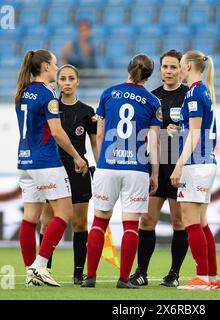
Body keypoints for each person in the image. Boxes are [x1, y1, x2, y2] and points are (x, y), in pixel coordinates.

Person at [81, 54, 161, 289]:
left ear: (129, 69)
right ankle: (124, 279)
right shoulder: (153, 101)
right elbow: (154, 143)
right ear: (148, 75)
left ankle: (90, 277)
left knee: (99, 221)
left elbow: (100, 133)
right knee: (130, 224)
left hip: (108, 165)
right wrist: (154, 174)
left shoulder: (108, 93)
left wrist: (102, 162)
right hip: (136, 169)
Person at [15, 50, 88, 287]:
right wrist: (77, 156)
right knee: (64, 213)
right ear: (46, 66)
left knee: (30, 217)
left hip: (24, 161)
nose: (56, 69)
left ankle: (30, 272)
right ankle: (40, 265)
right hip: (46, 161)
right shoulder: (48, 93)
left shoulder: (23, 92)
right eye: (55, 65)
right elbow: (56, 132)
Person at [129, 49, 189, 288]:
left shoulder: (189, 95)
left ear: (181, 69)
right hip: (155, 165)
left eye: (174, 66)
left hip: (178, 166)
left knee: (178, 222)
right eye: (165, 66)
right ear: (160, 70)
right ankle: (141, 272)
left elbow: (199, 130)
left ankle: (174, 274)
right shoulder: (151, 97)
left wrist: (180, 132)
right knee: (147, 221)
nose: (169, 71)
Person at [39, 64, 98, 285]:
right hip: (53, 168)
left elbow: (94, 144)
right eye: (62, 78)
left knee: (80, 224)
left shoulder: (87, 111)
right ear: (58, 81)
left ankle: (77, 273)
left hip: (79, 168)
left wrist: (99, 167)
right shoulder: (50, 107)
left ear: (77, 81)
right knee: (47, 222)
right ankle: (44, 270)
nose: (66, 82)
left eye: (71, 78)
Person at [169, 50, 220, 290]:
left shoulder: (193, 93)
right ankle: (211, 277)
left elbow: (196, 133)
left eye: (179, 65)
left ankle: (202, 276)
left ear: (188, 66)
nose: (178, 69)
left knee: (190, 221)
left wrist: (179, 164)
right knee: (201, 222)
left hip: (195, 164)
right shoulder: (203, 91)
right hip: (205, 162)